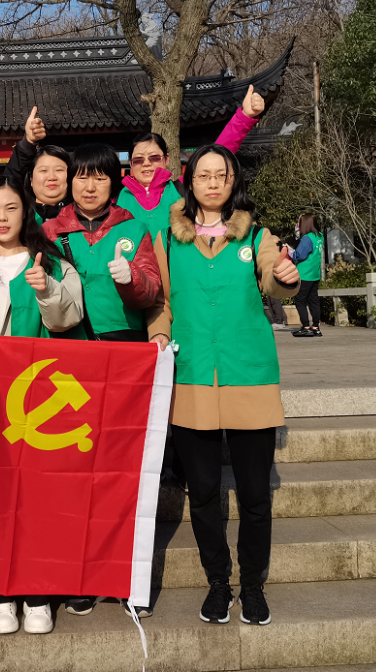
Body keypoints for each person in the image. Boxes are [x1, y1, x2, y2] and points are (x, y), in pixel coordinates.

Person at [147, 144, 299, 627]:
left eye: (222, 175)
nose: (213, 183)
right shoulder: (168, 239)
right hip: (192, 376)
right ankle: (218, 583)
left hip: (248, 375)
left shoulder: (257, 234)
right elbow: (160, 301)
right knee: (204, 492)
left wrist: (285, 276)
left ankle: (252, 585)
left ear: (234, 182)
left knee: (254, 494)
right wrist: (159, 335)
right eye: (204, 175)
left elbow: (274, 280)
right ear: (189, 183)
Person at [0, 174, 84, 634]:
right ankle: (0, 591)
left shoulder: (53, 261)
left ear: (26, 211)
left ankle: (37, 589)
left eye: (10, 208)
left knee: (36, 494)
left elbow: (70, 319)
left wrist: (46, 288)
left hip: (39, 393)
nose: (2, 218)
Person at [41, 142, 164, 618]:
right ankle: (83, 574)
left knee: (122, 469)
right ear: (69, 182)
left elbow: (151, 292)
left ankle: (126, 576)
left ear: (114, 183)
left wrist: (131, 278)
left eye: (100, 177)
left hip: (122, 354)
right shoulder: (50, 232)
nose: (89, 186)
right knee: (77, 470)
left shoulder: (133, 227)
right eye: (81, 176)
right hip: (70, 358)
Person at [117, 85, 267, 240]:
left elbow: (218, 153)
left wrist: (245, 116)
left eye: (154, 157)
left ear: (166, 159)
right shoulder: (117, 197)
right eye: (138, 159)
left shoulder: (182, 189)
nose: (146, 163)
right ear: (131, 163)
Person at [6, 106, 72, 224]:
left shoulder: (84, 217)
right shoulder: (21, 220)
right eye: (43, 170)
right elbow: (7, 183)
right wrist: (28, 142)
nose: (51, 177)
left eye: (59, 170)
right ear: (31, 179)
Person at [291, 213, 324, 337]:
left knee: (300, 300)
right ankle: (315, 327)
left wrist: (291, 252)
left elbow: (300, 255)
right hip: (315, 273)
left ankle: (305, 327)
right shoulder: (320, 236)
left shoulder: (307, 238)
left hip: (304, 273)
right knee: (313, 300)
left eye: (299, 222)